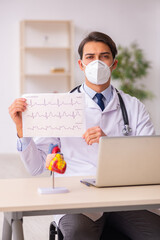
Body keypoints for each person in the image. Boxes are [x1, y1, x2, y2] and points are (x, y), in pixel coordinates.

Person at [9, 31, 160, 240]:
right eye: (90, 57)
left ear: (113, 64)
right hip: (77, 199)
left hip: (125, 197)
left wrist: (111, 143)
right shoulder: (61, 106)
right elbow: (36, 167)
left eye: (104, 56)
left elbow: (149, 163)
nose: (97, 63)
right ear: (81, 65)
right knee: (78, 234)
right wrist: (22, 130)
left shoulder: (134, 107)